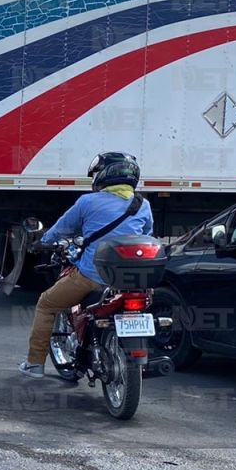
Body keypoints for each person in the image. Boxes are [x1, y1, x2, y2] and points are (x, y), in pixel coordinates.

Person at [19, 152, 154, 378]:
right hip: (131, 281)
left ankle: (34, 364)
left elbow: (61, 230)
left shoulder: (87, 202)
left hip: (93, 277)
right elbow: (147, 236)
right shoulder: (143, 205)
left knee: (46, 304)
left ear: (104, 175)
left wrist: (42, 241)